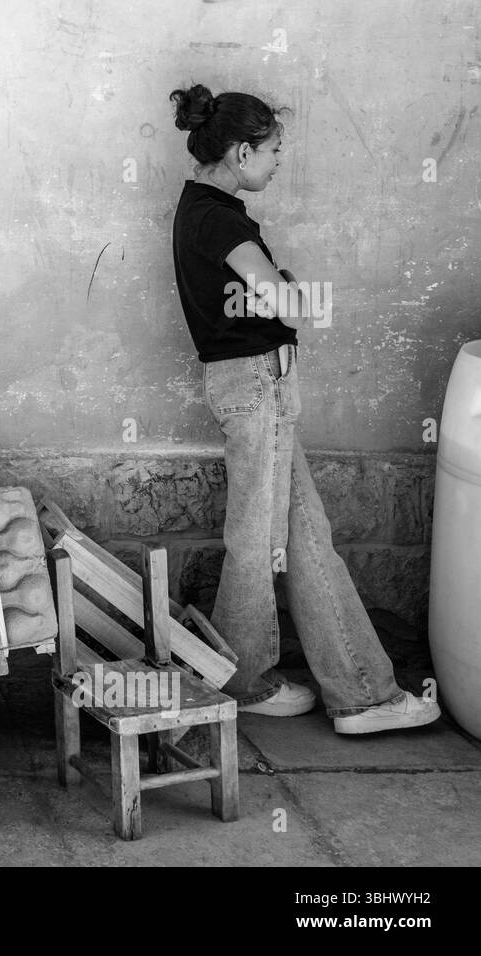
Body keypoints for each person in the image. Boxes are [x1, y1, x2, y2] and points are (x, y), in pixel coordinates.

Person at [169, 84, 439, 734]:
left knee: (304, 541)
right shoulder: (222, 221)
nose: (278, 162)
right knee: (258, 540)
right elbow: (288, 305)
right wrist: (291, 290)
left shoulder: (198, 210)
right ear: (240, 152)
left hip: (253, 386)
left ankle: (358, 692)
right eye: (273, 151)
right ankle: (253, 680)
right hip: (257, 387)